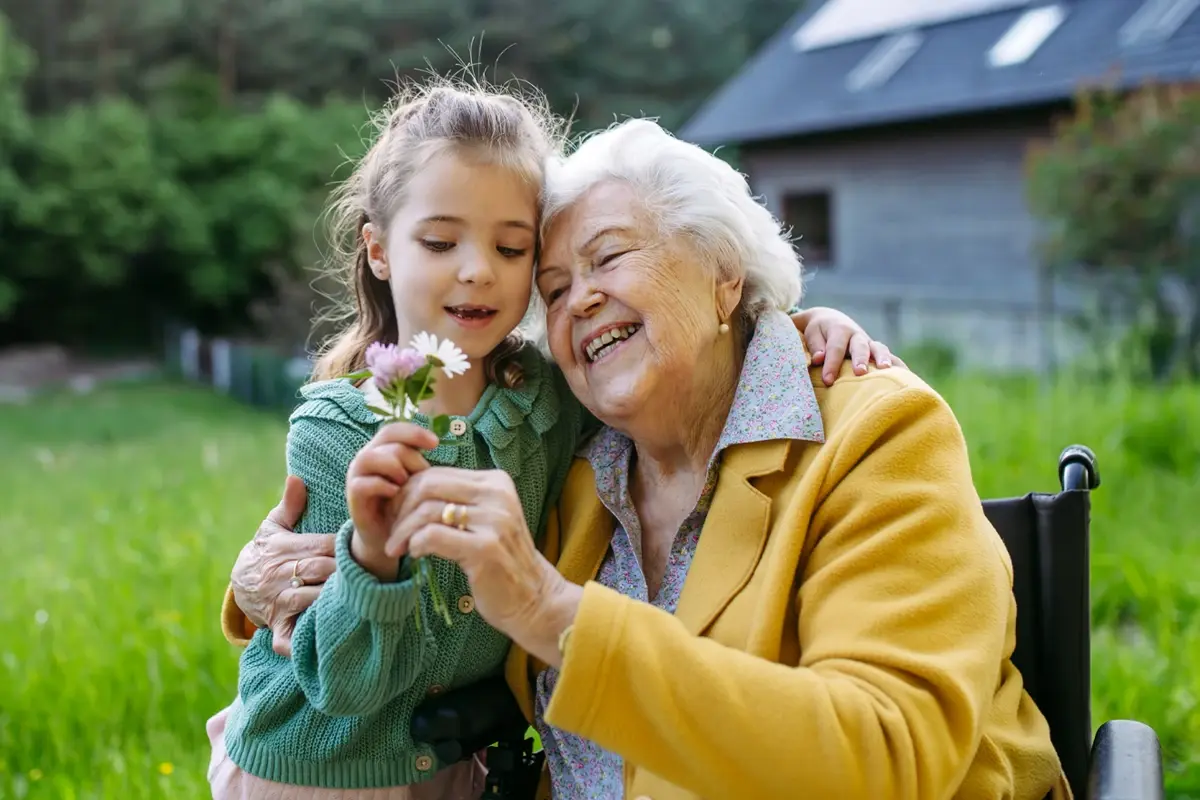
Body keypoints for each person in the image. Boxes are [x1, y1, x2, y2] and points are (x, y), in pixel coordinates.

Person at [208, 76, 901, 800]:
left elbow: (694, 354)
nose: (478, 269)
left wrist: (795, 325)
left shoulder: (553, 404)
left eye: (515, 251)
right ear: (379, 250)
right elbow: (317, 611)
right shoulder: (378, 425)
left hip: (460, 767)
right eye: (558, 283)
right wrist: (277, 580)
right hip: (319, 766)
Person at [349, 119, 1071, 799]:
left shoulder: (877, 433)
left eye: (608, 257)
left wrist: (551, 611)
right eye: (555, 290)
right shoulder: (572, 470)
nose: (579, 303)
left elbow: (885, 755)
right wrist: (271, 572)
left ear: (725, 273)